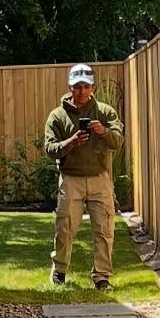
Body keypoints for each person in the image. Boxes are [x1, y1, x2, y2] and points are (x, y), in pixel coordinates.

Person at [44, 63, 124, 289]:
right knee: (65, 228)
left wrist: (103, 132)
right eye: (77, 87)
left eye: (86, 87)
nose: (81, 92)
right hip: (71, 179)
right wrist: (71, 142)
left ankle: (102, 277)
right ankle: (60, 270)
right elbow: (49, 149)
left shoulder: (105, 112)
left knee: (104, 229)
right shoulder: (57, 116)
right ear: (69, 87)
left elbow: (118, 141)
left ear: (93, 87)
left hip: (100, 178)